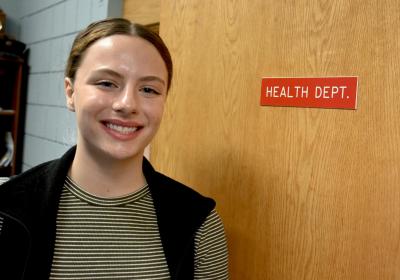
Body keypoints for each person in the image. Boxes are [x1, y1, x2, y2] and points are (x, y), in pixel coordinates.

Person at [0, 18, 228, 280]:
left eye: (149, 89)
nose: (127, 104)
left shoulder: (198, 225)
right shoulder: (6, 211)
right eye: (107, 83)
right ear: (70, 92)